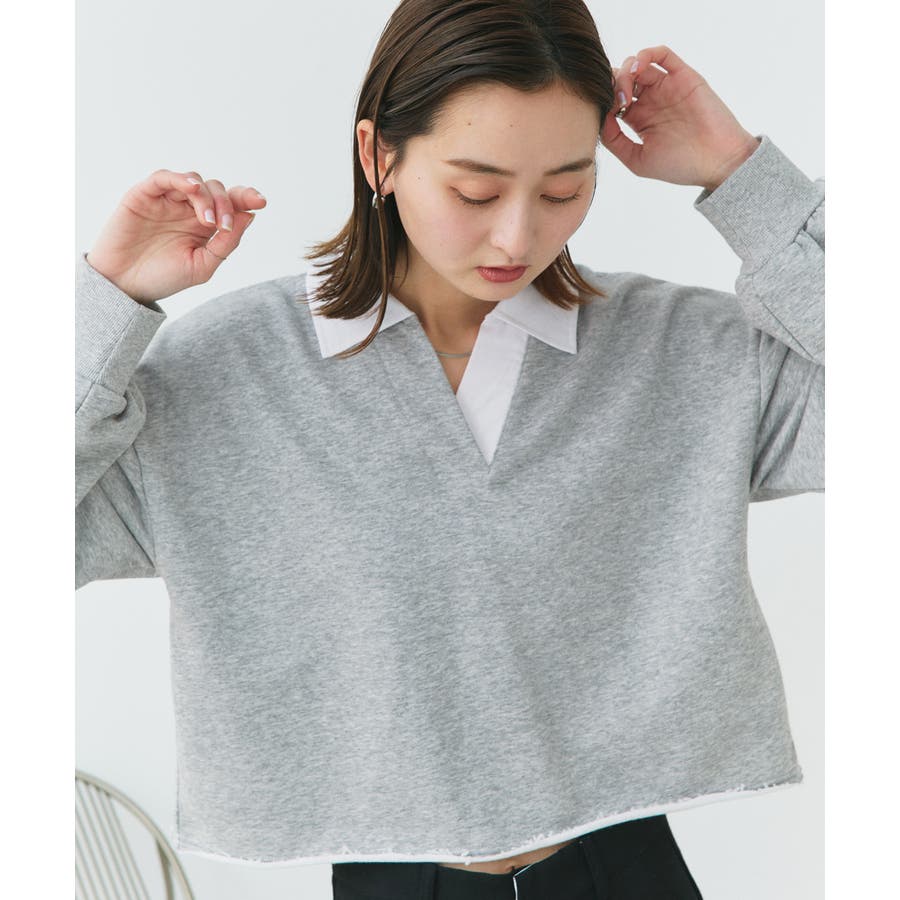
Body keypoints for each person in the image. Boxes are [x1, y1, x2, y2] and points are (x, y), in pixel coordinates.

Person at [75, 0, 824, 897]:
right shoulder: (222, 375)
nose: (518, 236)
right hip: (392, 877)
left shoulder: (683, 352)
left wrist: (742, 176)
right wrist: (107, 302)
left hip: (624, 867)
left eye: (564, 190)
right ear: (377, 156)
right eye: (476, 192)